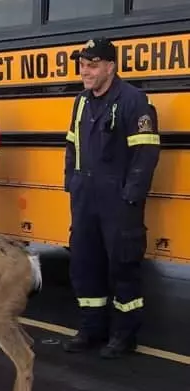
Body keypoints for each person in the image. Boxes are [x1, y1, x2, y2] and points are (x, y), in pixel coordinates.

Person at [62, 37, 161, 359]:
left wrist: (130, 197)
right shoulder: (81, 102)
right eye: (82, 66)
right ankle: (92, 329)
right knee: (84, 264)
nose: (85, 73)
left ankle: (123, 335)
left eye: (92, 66)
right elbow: (72, 145)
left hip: (118, 200)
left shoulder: (134, 101)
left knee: (122, 267)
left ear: (110, 67)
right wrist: (72, 183)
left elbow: (145, 153)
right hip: (86, 197)